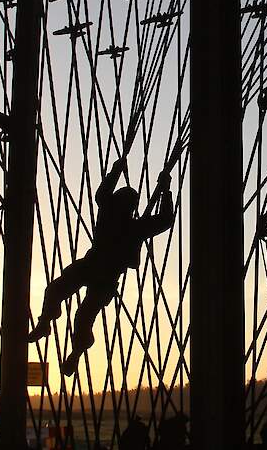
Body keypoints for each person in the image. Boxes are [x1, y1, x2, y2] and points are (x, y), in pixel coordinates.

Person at [28, 157, 175, 375]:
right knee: (66, 299)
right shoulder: (132, 225)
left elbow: (104, 195)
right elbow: (164, 220)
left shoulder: (117, 219)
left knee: (76, 310)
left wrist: (119, 171)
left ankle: (67, 345)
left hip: (99, 272)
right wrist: (164, 190)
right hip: (98, 271)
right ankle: (47, 326)